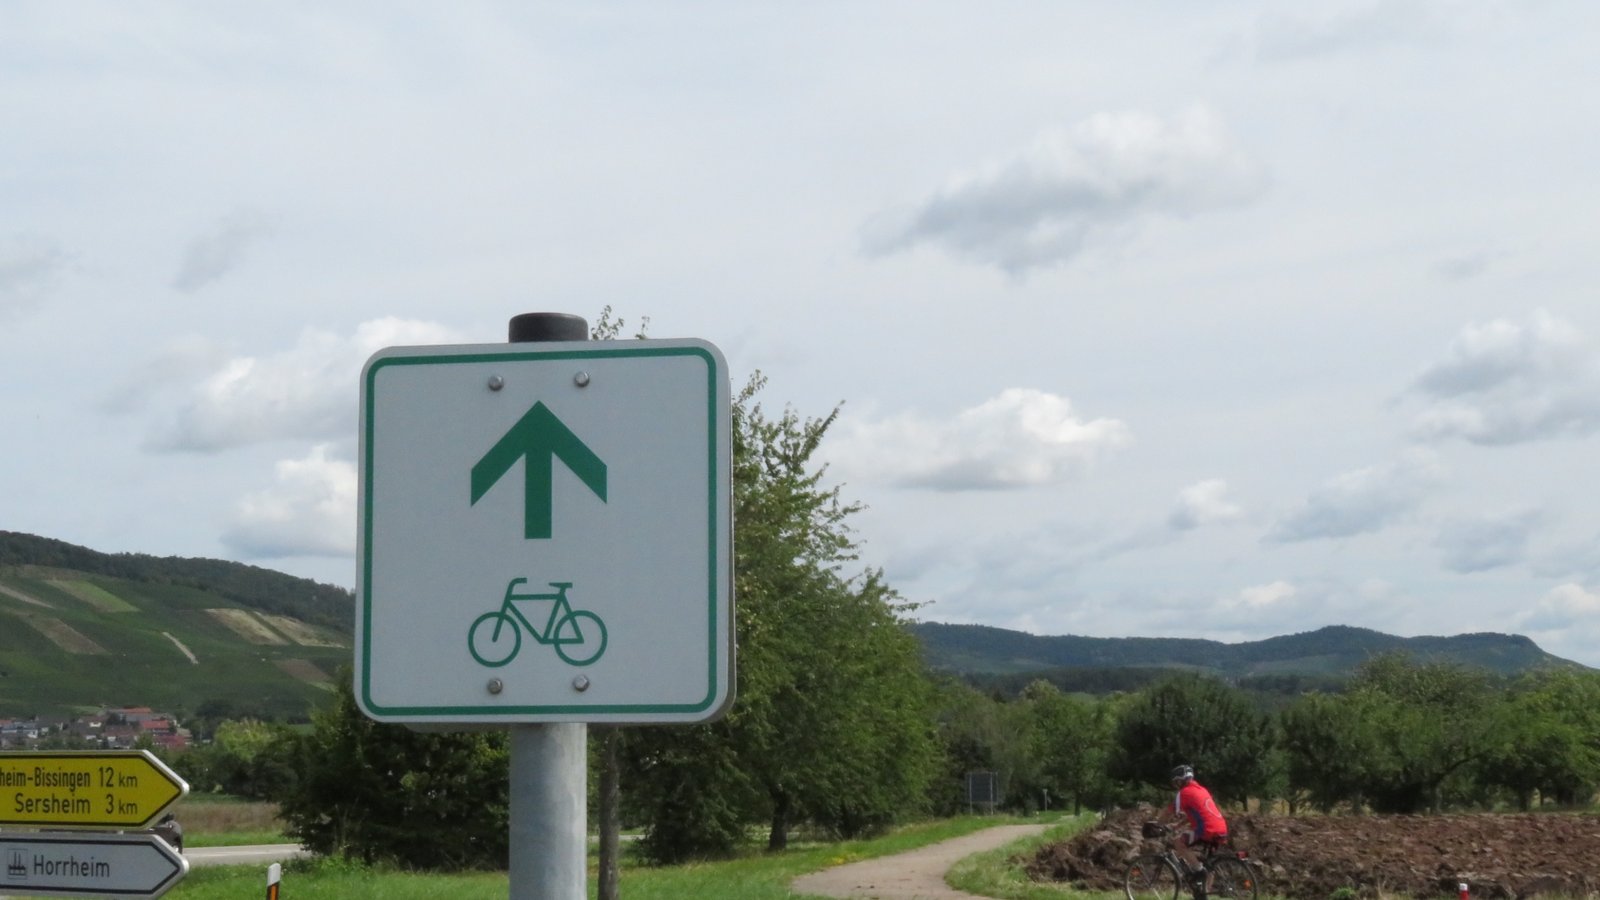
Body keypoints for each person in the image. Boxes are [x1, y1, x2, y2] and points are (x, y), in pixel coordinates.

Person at [1165, 764, 1226, 886]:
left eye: (1176, 782)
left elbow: (1168, 812)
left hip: (1206, 829)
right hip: (1221, 828)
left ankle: (1198, 870)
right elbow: (1197, 814)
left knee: (1179, 843)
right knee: (1209, 864)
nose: (1176, 785)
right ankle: (1204, 893)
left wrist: (1157, 824)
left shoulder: (1184, 793)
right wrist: (1178, 826)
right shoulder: (1201, 790)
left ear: (1181, 780)